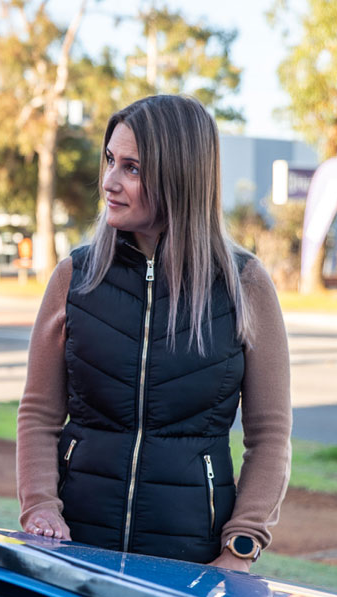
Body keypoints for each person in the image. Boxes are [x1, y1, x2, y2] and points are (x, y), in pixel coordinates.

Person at [16, 95, 291, 571]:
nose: (108, 182)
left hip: (191, 564)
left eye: (132, 168)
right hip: (76, 554)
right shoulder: (74, 276)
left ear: (180, 176)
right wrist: (40, 506)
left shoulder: (245, 284)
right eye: (109, 161)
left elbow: (269, 437)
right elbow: (39, 413)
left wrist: (240, 547)